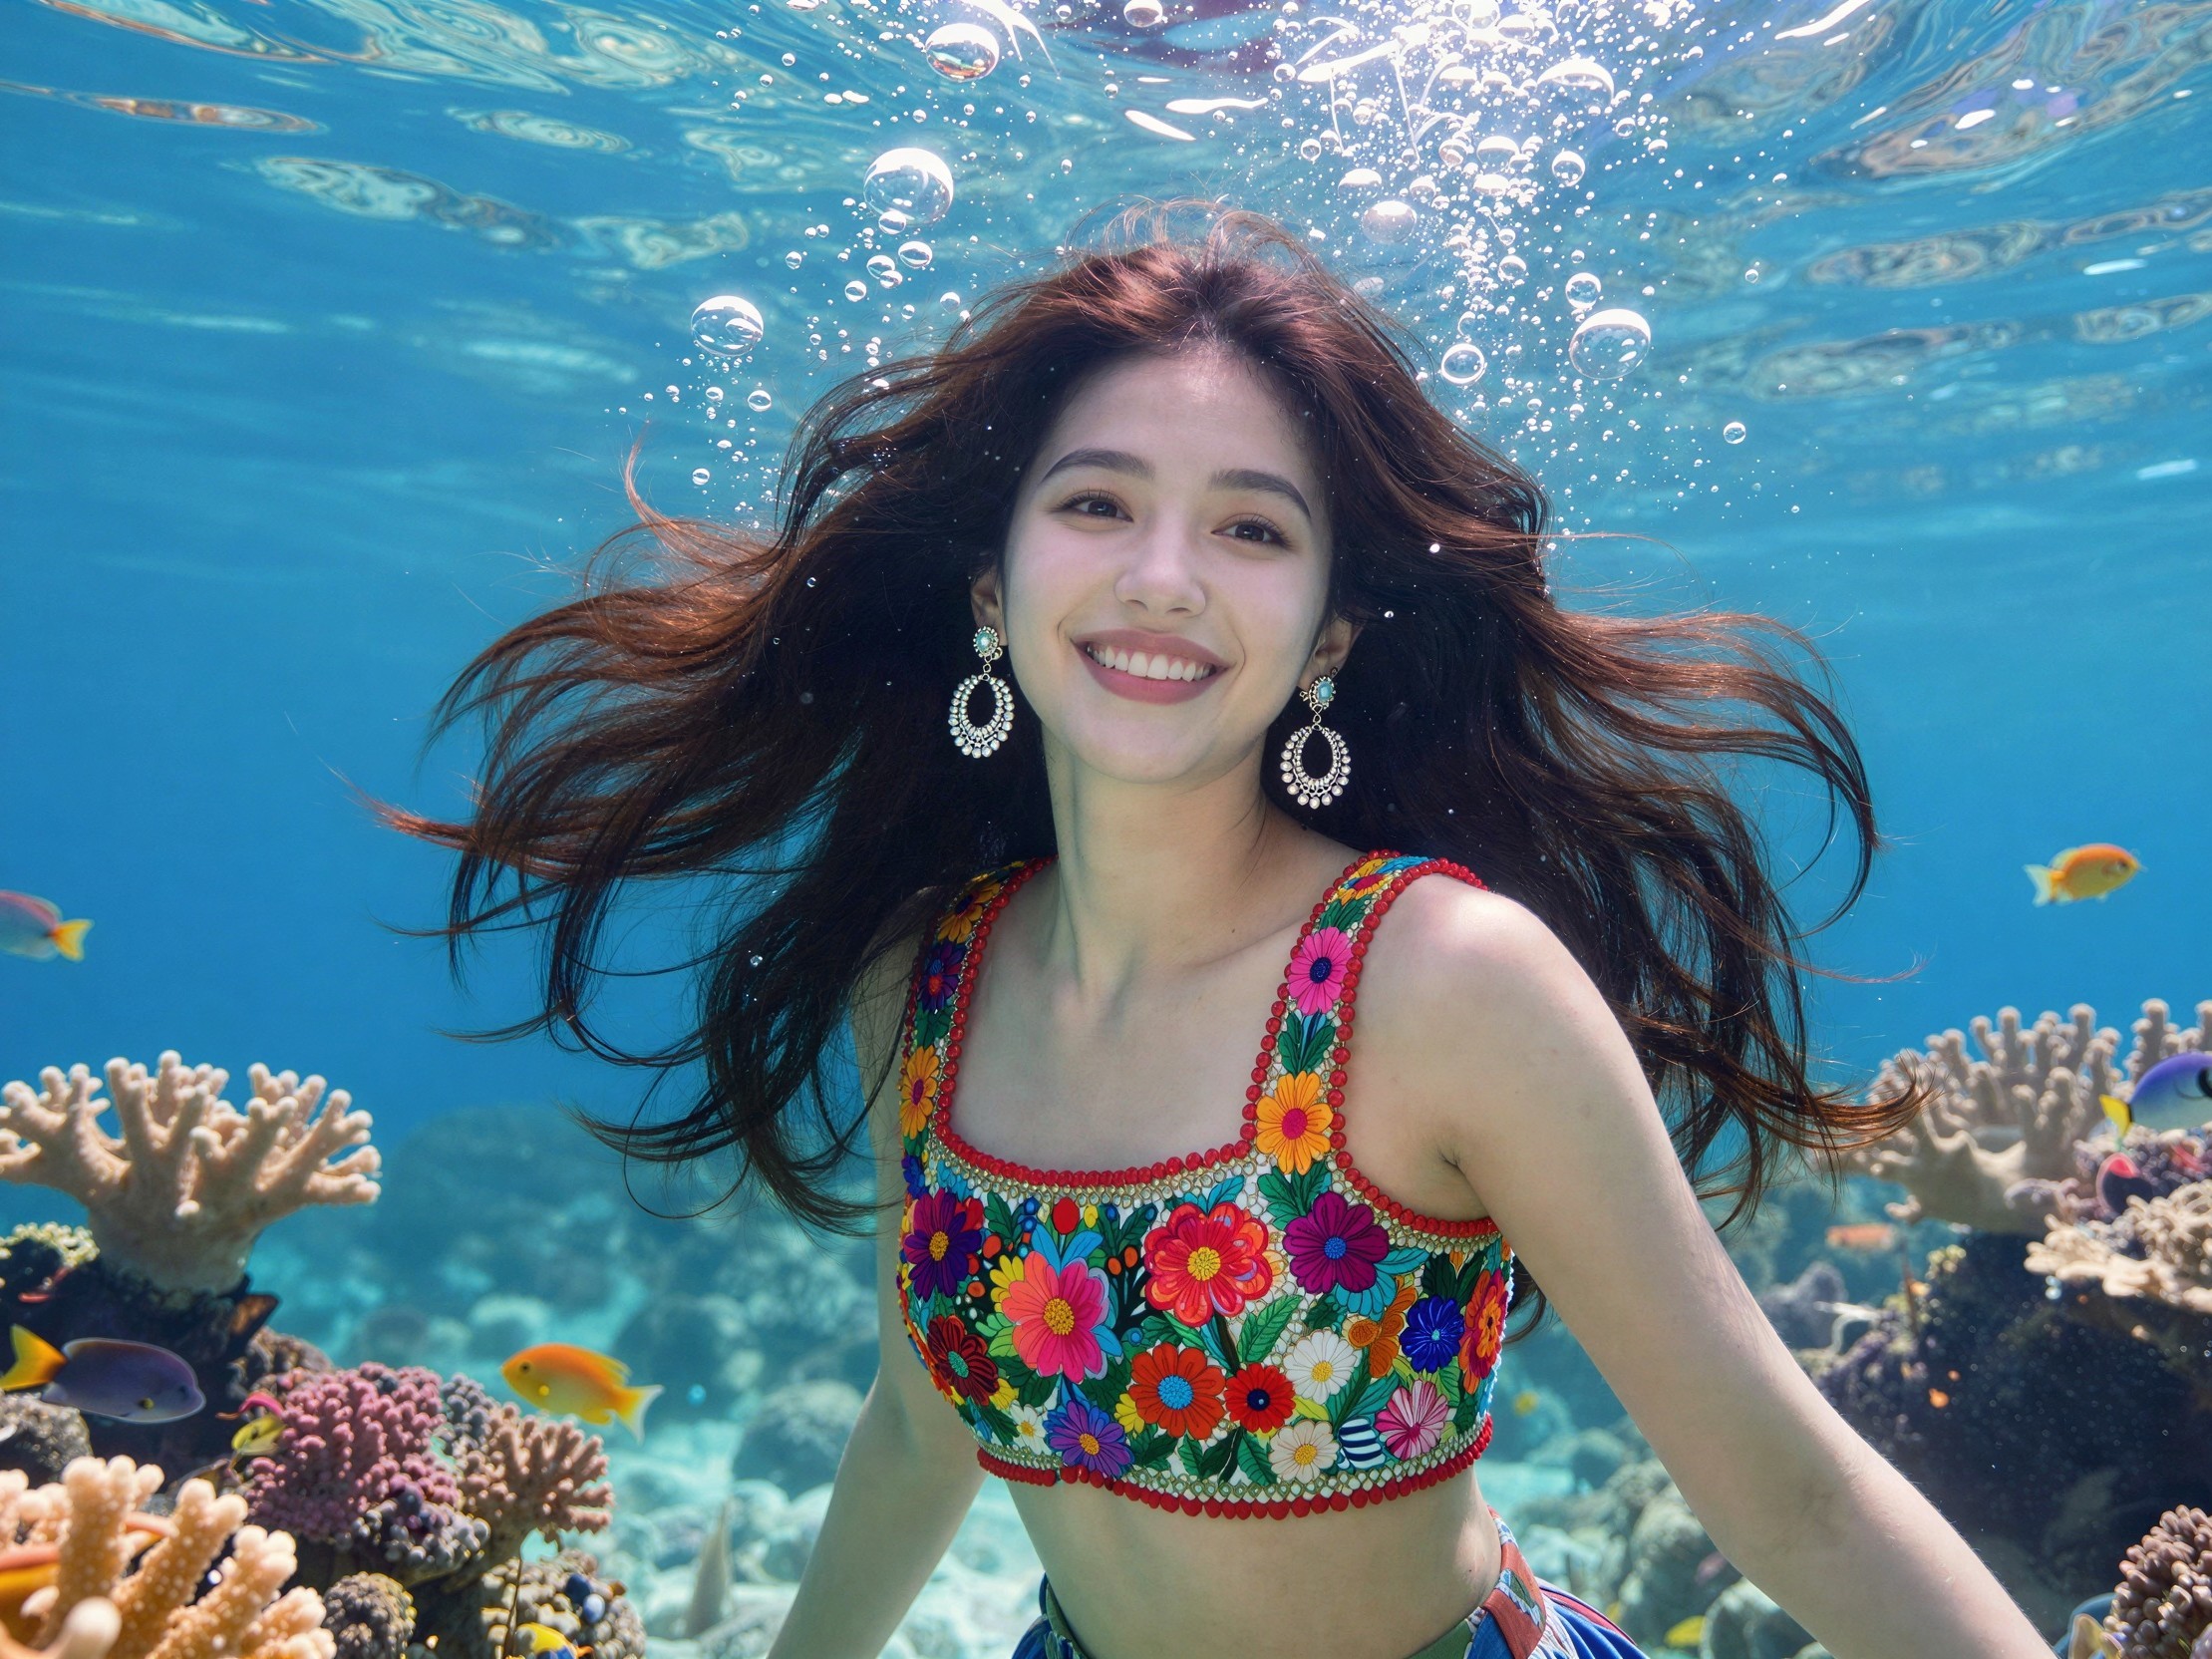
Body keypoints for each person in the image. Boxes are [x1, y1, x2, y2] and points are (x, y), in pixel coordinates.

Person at [394, 206, 2054, 1658]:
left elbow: (1797, 1502)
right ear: (993, 586)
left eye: (1252, 527)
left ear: (1329, 631)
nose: (1165, 577)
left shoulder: (1442, 982)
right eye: (1099, 504)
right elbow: (919, 1431)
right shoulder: (928, 977)